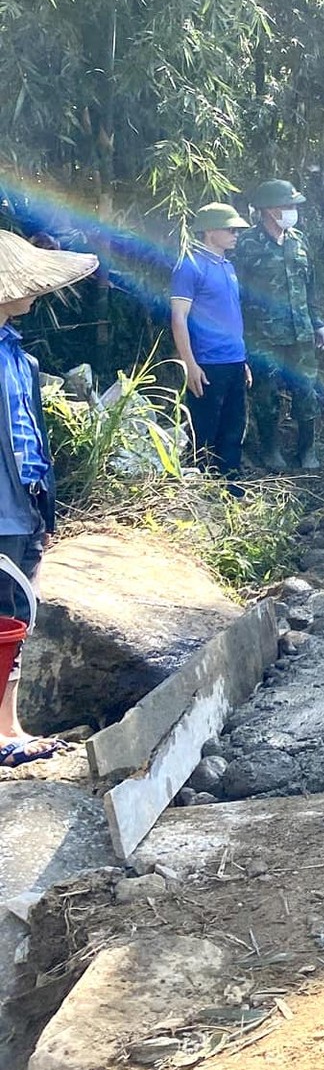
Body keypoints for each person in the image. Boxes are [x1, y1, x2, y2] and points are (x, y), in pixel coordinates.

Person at [0, 231, 98, 765]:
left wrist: (46, 507)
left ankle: (8, 725)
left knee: (16, 616)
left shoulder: (21, 358)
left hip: (24, 507)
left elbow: (31, 439)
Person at [234, 178, 324, 471]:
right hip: (262, 335)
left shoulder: (298, 241)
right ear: (268, 209)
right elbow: (236, 293)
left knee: (306, 390)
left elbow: (309, 287)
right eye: (287, 205)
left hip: (300, 333)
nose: (292, 210)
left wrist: (318, 323)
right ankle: (271, 451)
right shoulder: (247, 245)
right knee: (265, 394)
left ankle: (307, 451)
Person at [169, 203, 252, 477]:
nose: (235, 234)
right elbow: (179, 317)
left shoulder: (227, 266)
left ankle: (230, 483)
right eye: (230, 229)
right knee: (204, 428)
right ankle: (202, 485)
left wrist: (243, 360)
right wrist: (190, 364)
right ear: (209, 231)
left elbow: (231, 315)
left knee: (234, 425)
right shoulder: (190, 266)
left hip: (234, 360)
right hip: (207, 362)